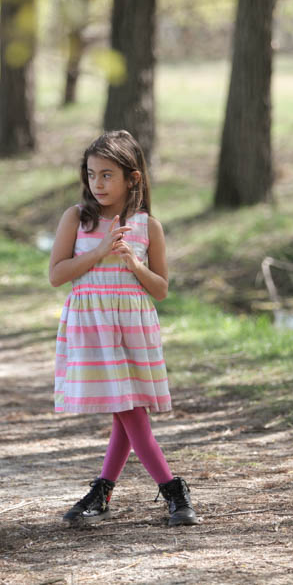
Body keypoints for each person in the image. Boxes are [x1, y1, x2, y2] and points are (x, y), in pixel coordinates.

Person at [48, 129, 200, 527]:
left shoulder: (149, 227)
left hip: (132, 326)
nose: (97, 183)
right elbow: (56, 274)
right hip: (93, 326)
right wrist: (99, 252)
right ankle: (168, 491)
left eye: (107, 175)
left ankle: (117, 492)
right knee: (127, 411)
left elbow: (162, 289)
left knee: (128, 410)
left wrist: (135, 264)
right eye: (91, 174)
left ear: (132, 178)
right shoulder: (77, 219)